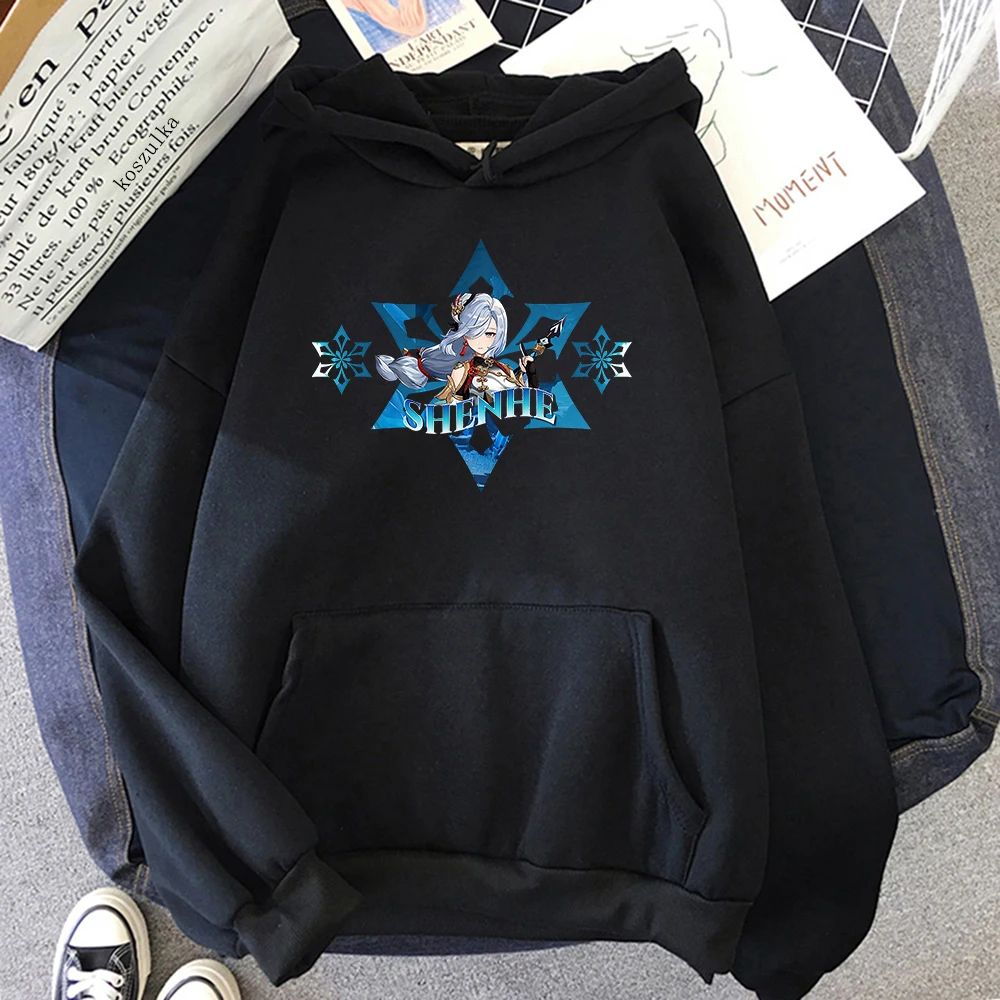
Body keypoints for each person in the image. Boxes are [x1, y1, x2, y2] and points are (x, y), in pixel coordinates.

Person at [376, 292, 530, 405]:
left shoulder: (482, 356)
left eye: (490, 334)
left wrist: (525, 372)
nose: (483, 342)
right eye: (475, 333)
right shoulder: (457, 355)